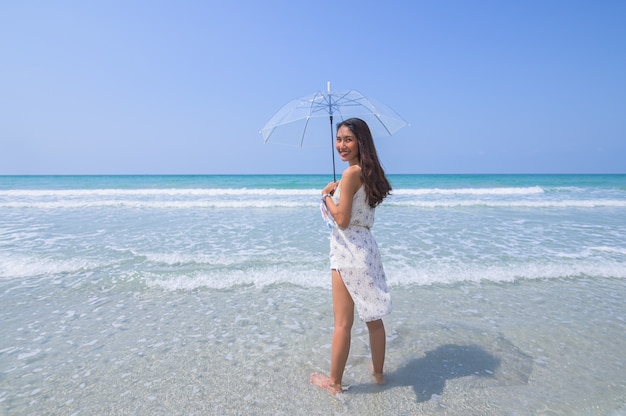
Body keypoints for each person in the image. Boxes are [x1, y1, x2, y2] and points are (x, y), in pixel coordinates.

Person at [311, 118, 392, 395]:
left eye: (348, 139)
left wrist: (326, 197)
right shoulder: (369, 174)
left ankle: (334, 384)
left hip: (347, 252)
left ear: (360, 142)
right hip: (367, 249)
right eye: (338, 139)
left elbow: (343, 220)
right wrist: (340, 191)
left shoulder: (349, 175)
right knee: (374, 319)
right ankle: (379, 375)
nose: (341, 145)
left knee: (343, 323)